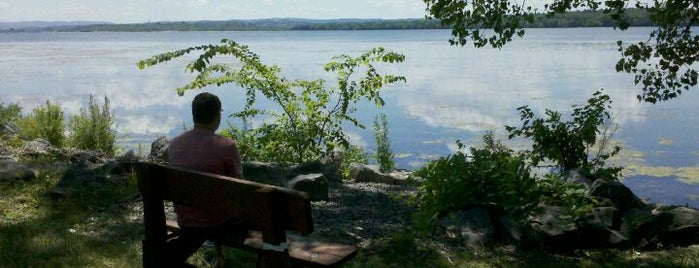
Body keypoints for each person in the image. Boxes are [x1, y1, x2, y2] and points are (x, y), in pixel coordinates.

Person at [166, 92, 246, 267]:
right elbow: (240, 190)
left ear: (194, 115)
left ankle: (216, 258)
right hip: (218, 222)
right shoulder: (227, 146)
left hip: (186, 218)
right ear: (217, 116)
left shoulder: (175, 144)